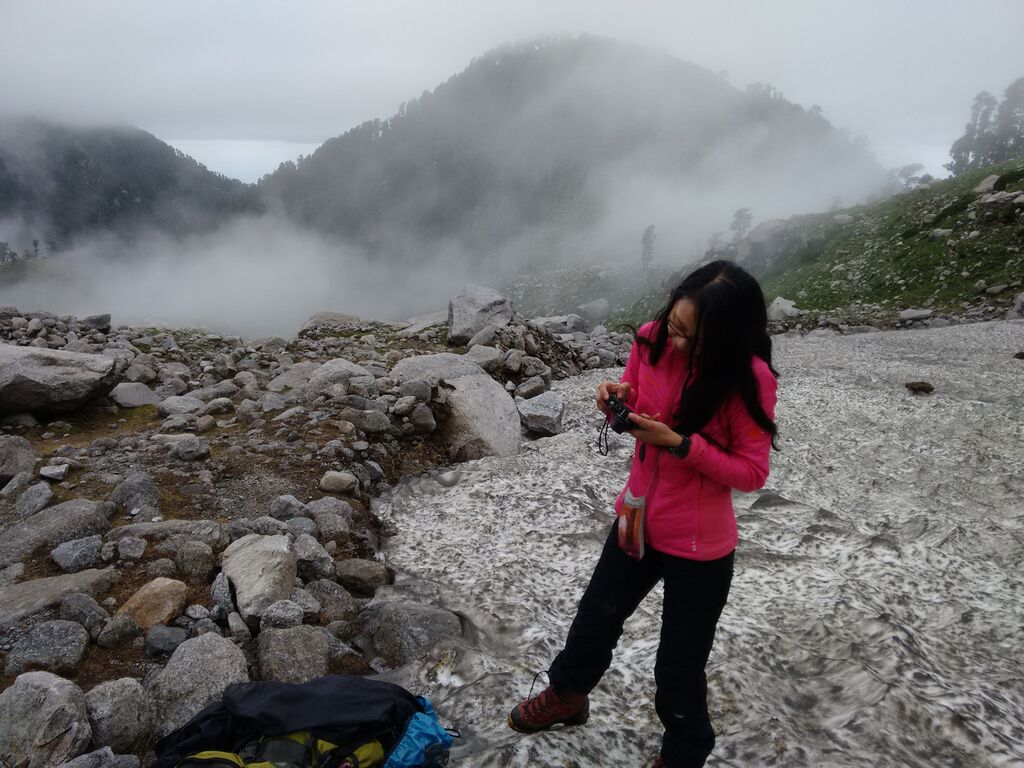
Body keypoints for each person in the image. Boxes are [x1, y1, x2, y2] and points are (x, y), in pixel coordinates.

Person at [507, 260, 780, 768]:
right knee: (594, 619)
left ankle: (684, 753)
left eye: (692, 339)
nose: (675, 341)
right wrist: (616, 395)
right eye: (675, 325)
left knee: (678, 666)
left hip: (699, 543)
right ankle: (568, 696)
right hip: (637, 517)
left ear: (728, 337)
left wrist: (679, 443)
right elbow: (633, 387)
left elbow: (751, 472)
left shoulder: (749, 378)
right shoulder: (651, 339)